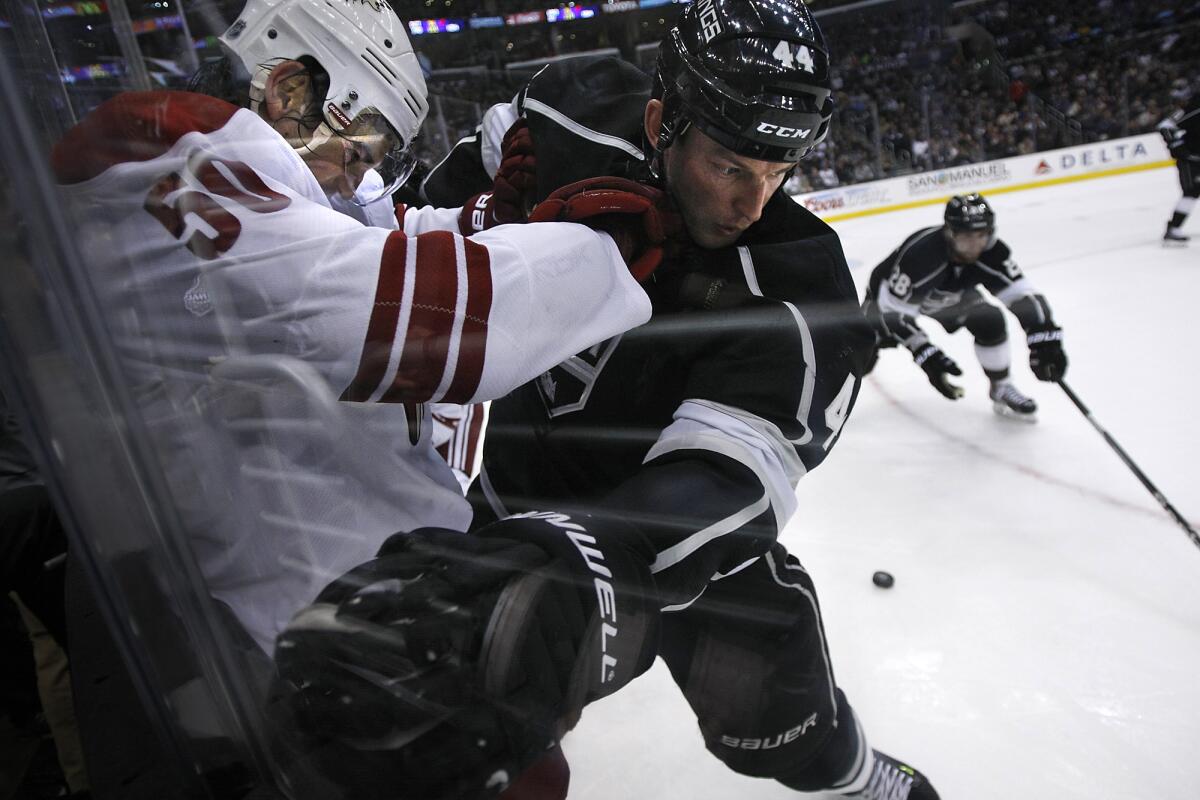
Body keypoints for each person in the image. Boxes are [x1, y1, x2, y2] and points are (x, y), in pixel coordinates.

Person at [271, 1, 940, 799]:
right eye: (731, 167)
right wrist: (481, 215)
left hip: (674, 551)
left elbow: (730, 475)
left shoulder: (798, 287)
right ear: (662, 121)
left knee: (774, 733)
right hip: (510, 492)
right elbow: (455, 181)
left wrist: (575, 564)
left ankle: (858, 777)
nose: (751, 205)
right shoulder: (574, 107)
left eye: (778, 173)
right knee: (443, 713)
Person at [49, 0, 678, 796]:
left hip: (315, 637)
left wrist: (495, 215)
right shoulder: (156, 155)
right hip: (284, 671)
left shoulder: (221, 169)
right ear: (285, 88)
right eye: (357, 146)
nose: (359, 173)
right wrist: (604, 247)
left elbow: (359, 230)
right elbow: (372, 311)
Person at [862, 193, 1068, 420]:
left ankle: (1001, 386)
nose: (975, 245)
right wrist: (926, 356)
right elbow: (894, 313)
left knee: (990, 320)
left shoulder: (993, 253)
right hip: (887, 302)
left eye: (982, 235)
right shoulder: (921, 256)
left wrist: (1045, 338)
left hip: (949, 297)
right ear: (950, 232)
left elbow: (1023, 294)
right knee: (860, 356)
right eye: (967, 236)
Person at [1158, 91, 1199, 246]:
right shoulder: (1195, 106)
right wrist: (1177, 146)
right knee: (1191, 192)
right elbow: (1165, 126)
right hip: (1190, 160)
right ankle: (1173, 229)